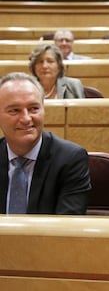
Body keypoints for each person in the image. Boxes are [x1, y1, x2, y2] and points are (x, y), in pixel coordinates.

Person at [0, 72, 91, 214]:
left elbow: (66, 226)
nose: (26, 118)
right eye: (14, 111)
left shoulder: (70, 159)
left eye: (33, 109)